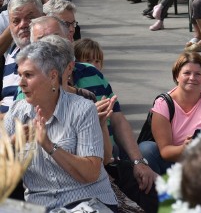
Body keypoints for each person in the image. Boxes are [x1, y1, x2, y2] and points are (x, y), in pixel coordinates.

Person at [4, 40, 117, 210]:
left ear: (52, 77)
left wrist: (49, 146)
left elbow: (91, 173)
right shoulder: (16, 112)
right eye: (20, 75)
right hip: (39, 206)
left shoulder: (82, 109)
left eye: (28, 75)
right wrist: (12, 144)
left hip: (86, 200)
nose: (21, 82)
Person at [139, 52, 201, 175]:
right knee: (146, 148)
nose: (192, 78)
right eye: (187, 73)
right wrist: (184, 148)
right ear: (177, 76)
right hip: (169, 163)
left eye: (198, 74)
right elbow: (165, 152)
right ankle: (156, 191)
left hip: (200, 164)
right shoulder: (163, 103)